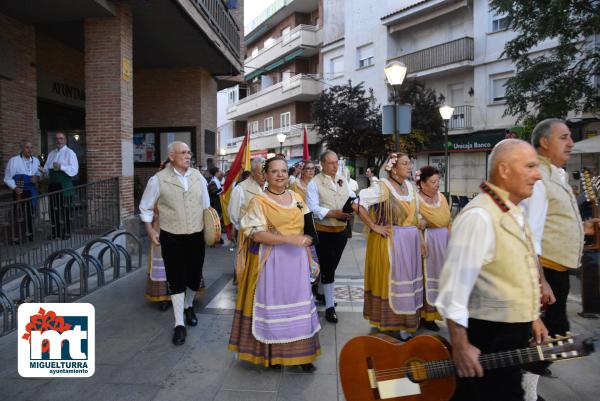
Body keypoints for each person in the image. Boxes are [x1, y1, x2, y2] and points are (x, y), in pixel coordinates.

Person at [435, 139, 548, 401]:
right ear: (505, 170)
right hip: (488, 337)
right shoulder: (479, 217)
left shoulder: (513, 212)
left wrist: (532, 316)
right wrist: (461, 345)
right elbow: (453, 290)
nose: (538, 174)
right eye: (530, 166)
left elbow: (515, 273)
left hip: (510, 335)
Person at [522, 119, 598, 401]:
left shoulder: (555, 175)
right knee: (551, 337)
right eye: (563, 137)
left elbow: (552, 221)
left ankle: (526, 386)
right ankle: (525, 390)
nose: (571, 143)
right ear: (544, 142)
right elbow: (529, 232)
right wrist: (539, 280)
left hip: (555, 272)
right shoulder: (538, 178)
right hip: (546, 273)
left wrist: (585, 227)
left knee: (550, 337)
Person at [228, 156, 321, 372]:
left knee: (299, 308)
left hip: (297, 262)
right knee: (274, 308)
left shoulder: (298, 199)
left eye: (283, 171)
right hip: (272, 262)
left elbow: (306, 234)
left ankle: (302, 356)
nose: (280, 175)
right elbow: (256, 234)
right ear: (265, 175)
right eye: (274, 171)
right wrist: (290, 240)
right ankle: (273, 356)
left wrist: (311, 261)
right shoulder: (258, 202)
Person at [139, 141, 210, 345]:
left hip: (196, 234)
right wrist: (150, 229)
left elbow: (205, 205)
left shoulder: (198, 177)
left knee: (194, 276)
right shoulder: (158, 179)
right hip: (171, 235)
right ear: (171, 156)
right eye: (183, 153)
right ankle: (179, 323)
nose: (188, 156)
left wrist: (212, 230)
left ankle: (188, 306)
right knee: (176, 277)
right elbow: (145, 207)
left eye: (189, 152)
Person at [354, 152, 426, 340]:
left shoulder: (410, 187)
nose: (409, 166)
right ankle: (395, 322)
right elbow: (357, 204)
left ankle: (407, 321)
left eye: (410, 163)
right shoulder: (382, 187)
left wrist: (421, 232)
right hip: (390, 242)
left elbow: (415, 215)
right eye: (405, 163)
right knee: (392, 282)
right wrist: (374, 226)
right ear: (393, 168)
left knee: (408, 282)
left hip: (410, 242)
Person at [306, 150, 356, 324]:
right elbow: (313, 208)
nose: (335, 166)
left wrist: (352, 208)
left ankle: (320, 293)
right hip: (324, 231)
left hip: (341, 230)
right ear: (322, 164)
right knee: (328, 267)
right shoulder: (314, 183)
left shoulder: (342, 179)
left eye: (336, 162)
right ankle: (329, 307)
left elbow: (351, 197)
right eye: (331, 163)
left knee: (332, 266)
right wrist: (332, 213)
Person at [416, 166, 451, 332]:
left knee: (441, 277)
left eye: (438, 181)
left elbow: (447, 220)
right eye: (433, 181)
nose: (437, 184)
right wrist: (421, 232)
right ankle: (426, 315)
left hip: (443, 241)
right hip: (429, 242)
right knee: (427, 278)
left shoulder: (442, 198)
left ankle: (437, 313)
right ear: (422, 184)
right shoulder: (416, 200)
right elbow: (415, 222)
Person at [228, 157, 265, 281]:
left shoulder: (270, 187)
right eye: (261, 172)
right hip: (249, 236)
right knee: (248, 272)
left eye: (266, 171)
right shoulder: (241, 189)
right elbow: (233, 214)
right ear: (253, 172)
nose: (264, 175)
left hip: (268, 237)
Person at [41, 132, 79, 240]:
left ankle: (66, 232)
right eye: (57, 139)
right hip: (53, 185)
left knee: (65, 210)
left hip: (64, 185)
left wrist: (61, 166)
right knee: (53, 210)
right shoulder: (51, 153)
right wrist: (43, 171)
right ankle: (55, 233)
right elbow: (48, 169)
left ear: (65, 140)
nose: (59, 141)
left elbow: (74, 170)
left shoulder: (70, 153)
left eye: (61, 138)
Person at [4, 140, 42, 242]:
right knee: (18, 214)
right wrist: (15, 188)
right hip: (19, 190)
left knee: (30, 213)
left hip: (31, 190)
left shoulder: (36, 160)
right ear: (21, 148)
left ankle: (29, 236)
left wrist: (37, 178)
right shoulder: (14, 160)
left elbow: (39, 175)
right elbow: (7, 178)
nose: (30, 150)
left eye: (31, 147)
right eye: (27, 147)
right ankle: (17, 237)